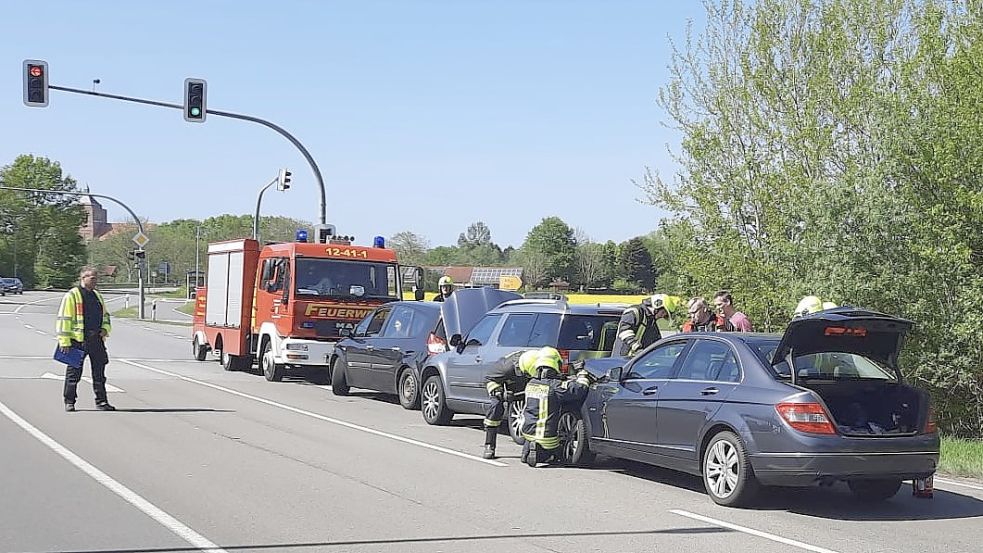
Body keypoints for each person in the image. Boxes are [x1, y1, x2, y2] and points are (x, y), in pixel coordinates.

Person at [520, 347, 592, 467]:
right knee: (560, 455)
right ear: (555, 363)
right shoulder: (555, 386)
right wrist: (581, 373)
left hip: (528, 432)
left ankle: (529, 449)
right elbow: (579, 389)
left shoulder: (531, 383)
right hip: (546, 438)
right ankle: (543, 453)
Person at [57, 266, 114, 412]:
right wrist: (64, 341)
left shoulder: (97, 295)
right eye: (92, 278)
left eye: (96, 278)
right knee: (73, 373)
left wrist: (105, 329)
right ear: (83, 278)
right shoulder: (73, 295)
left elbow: (105, 316)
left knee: (99, 373)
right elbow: (64, 319)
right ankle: (69, 401)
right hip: (78, 341)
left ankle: (101, 401)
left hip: (96, 340)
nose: (95, 281)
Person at [482, 349, 539, 459]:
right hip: (507, 387)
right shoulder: (505, 367)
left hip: (529, 387)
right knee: (496, 407)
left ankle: (530, 449)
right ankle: (490, 445)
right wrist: (499, 391)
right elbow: (489, 379)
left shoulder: (539, 363)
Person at [611, 294, 678, 357]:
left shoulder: (651, 320)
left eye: (665, 315)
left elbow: (656, 341)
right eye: (663, 312)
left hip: (637, 360)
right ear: (657, 305)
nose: (662, 316)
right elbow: (624, 331)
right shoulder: (634, 312)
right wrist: (638, 349)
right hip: (623, 359)